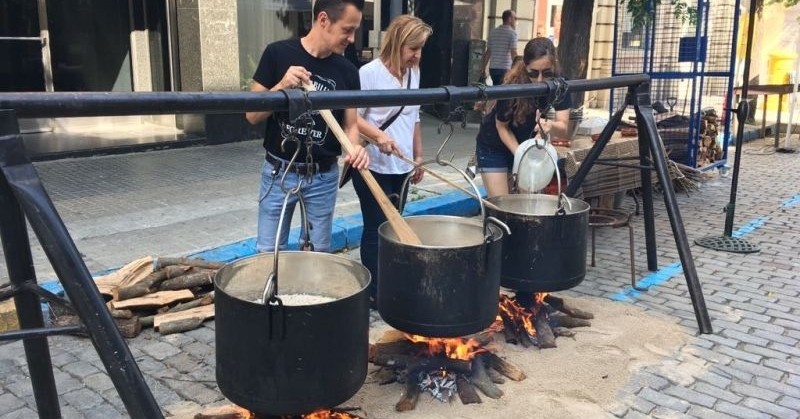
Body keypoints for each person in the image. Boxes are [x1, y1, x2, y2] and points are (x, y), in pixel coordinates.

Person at [245, 0, 369, 253]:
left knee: (317, 254)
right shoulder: (277, 53)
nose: (352, 38)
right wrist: (281, 86)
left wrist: (355, 149)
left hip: (323, 176)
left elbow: (351, 126)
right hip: (278, 172)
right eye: (347, 29)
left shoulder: (347, 71)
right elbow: (252, 115)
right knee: (269, 252)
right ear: (324, 20)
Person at [353, 15, 432, 306]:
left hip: (402, 165)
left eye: (420, 49)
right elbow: (354, 121)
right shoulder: (369, 73)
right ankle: (374, 290)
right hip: (372, 163)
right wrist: (379, 137)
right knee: (375, 227)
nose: (417, 55)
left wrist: (418, 156)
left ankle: (390, 280)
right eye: (413, 48)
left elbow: (414, 117)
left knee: (394, 225)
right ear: (398, 43)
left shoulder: (414, 73)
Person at [475, 37, 571, 198]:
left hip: (526, 147)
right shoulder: (513, 86)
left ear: (554, 65)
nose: (540, 80)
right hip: (494, 146)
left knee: (527, 204)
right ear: (525, 67)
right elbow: (501, 127)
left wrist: (550, 126)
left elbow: (564, 128)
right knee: (502, 205)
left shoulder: (560, 83)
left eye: (547, 73)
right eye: (533, 73)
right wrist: (522, 156)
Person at [482, 10, 518, 86]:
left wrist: (483, 68)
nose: (515, 20)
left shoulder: (493, 32)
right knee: (505, 93)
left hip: (493, 69)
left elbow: (488, 52)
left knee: (497, 91)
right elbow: (513, 52)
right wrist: (517, 67)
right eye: (515, 18)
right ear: (509, 19)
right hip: (505, 69)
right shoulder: (512, 33)